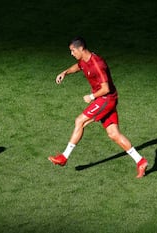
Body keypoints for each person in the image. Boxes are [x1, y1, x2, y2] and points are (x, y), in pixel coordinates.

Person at [48, 37, 148, 178]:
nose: (71, 53)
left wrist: (92, 97)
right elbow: (79, 66)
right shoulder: (84, 60)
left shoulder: (97, 64)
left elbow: (106, 88)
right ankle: (141, 161)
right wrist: (65, 72)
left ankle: (64, 157)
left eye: (72, 50)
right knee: (114, 134)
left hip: (106, 99)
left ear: (81, 48)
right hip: (106, 99)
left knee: (79, 121)